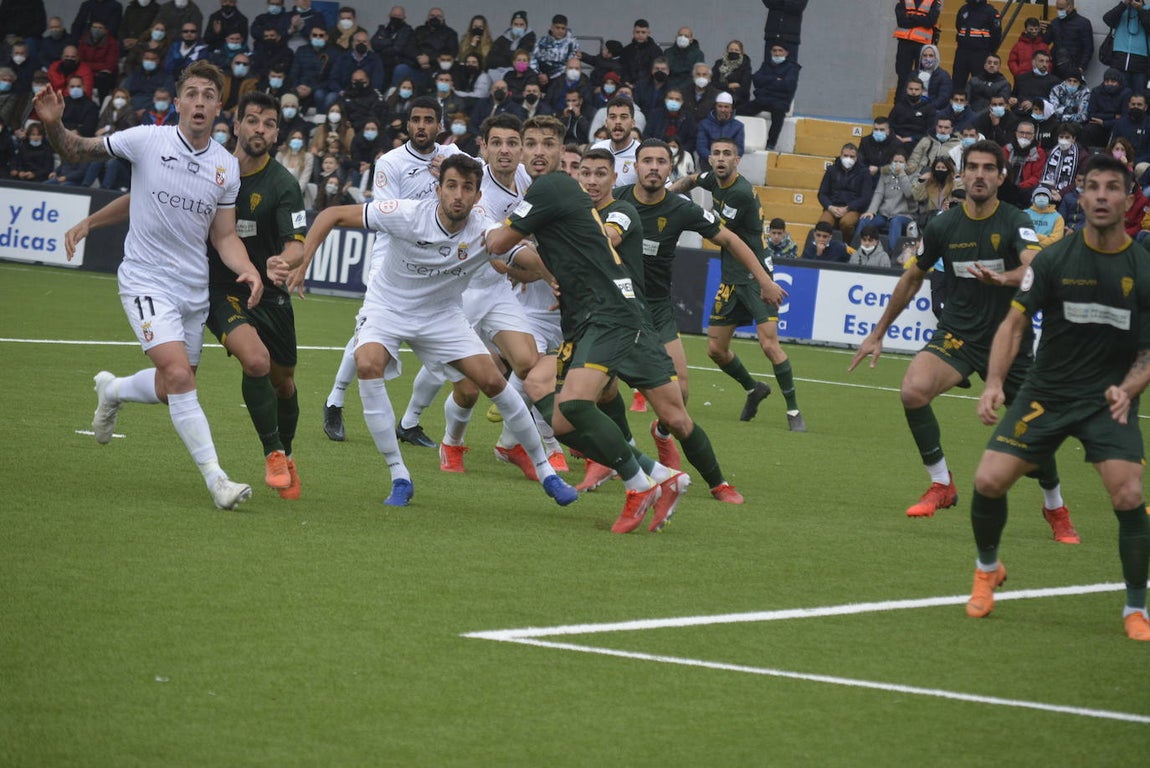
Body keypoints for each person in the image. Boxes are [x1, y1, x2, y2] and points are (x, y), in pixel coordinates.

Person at [37, 60, 262, 511]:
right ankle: (217, 480)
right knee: (179, 375)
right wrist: (55, 124)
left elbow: (223, 236)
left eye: (209, 95)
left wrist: (249, 268)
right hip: (144, 277)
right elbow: (77, 150)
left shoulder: (225, 168)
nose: (200, 102)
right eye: (192, 93)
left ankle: (114, 390)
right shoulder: (146, 139)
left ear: (220, 107)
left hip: (193, 288)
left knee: (170, 385)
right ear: (177, 101)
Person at [301, 154, 579, 510]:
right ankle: (399, 475)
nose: (458, 195)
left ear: (478, 196)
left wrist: (552, 277)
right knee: (368, 364)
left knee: (492, 381)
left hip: (442, 315)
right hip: (388, 308)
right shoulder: (407, 214)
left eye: (467, 188)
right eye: (451, 186)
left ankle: (547, 473)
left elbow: (517, 250)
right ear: (438, 190)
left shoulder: (484, 227)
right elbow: (331, 214)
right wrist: (303, 260)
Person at [71, 91, 308, 499]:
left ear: (276, 133)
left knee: (280, 383)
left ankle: (114, 390)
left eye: (269, 124)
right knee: (251, 363)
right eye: (253, 121)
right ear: (236, 124)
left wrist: (279, 263)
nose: (260, 129)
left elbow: (295, 243)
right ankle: (250, 465)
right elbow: (142, 198)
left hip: (263, 292)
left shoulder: (281, 185)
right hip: (214, 288)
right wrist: (91, 221)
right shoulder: (208, 161)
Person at [848, 140, 1078, 543]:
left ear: (1001, 177)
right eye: (972, 167)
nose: (979, 175)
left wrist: (1004, 278)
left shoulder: (1015, 220)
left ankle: (1055, 507)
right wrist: (877, 332)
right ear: (961, 174)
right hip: (958, 333)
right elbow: (913, 277)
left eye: (989, 168)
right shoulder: (943, 225)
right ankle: (942, 484)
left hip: (1010, 340)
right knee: (913, 390)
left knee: (1033, 435)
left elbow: (1033, 267)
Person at [484, 121, 709, 531]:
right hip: (585, 315)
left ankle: (640, 484)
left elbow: (499, 245)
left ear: (562, 157)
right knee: (560, 418)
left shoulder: (550, 188)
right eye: (528, 143)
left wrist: (475, 224)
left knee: (573, 405)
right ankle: (660, 477)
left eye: (547, 145)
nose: (537, 151)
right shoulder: (549, 195)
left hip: (609, 312)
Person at [966, 153, 1150, 641]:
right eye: (1093, 187)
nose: (1103, 196)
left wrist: (1128, 389)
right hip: (1045, 393)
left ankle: (1136, 607)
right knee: (987, 481)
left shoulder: (1143, 269)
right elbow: (1014, 321)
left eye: (1114, 188)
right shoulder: (1053, 259)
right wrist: (993, 384)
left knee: (1129, 494)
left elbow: (1149, 353)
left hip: (1106, 400)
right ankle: (987, 570)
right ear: (1081, 196)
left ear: (1128, 199)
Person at [617, 139, 790, 464]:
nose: (654, 167)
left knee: (680, 392)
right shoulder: (615, 200)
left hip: (657, 309)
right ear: (635, 166)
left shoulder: (681, 208)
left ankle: (661, 433)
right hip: (616, 308)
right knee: (600, 386)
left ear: (670, 169)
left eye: (661, 161)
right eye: (647, 161)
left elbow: (730, 239)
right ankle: (610, 454)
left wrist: (765, 280)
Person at [322, 98, 464, 443]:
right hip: (392, 259)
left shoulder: (456, 158)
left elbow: (479, 183)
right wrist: (438, 187)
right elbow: (389, 215)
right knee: (368, 330)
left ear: (439, 125)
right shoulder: (390, 162)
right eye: (415, 120)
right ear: (407, 124)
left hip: (440, 262)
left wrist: (452, 172)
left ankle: (411, 421)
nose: (421, 126)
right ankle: (335, 400)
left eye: (429, 120)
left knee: (450, 340)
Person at [672, 138, 804, 429]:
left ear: (737, 160)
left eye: (727, 154)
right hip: (731, 277)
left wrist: (677, 212)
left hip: (757, 277)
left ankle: (793, 411)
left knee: (769, 344)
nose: (721, 158)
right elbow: (692, 179)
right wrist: (668, 193)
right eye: (716, 153)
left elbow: (715, 232)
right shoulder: (712, 179)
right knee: (715, 350)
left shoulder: (740, 193)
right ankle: (753, 388)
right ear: (710, 159)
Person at [861, 149, 917, 254]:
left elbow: (909, 193)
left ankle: (893, 254)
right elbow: (879, 193)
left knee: (895, 222)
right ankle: (857, 250)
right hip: (884, 214)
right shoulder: (885, 174)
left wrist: (902, 174)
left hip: (904, 215)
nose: (897, 164)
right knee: (865, 219)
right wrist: (871, 211)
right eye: (895, 161)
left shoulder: (914, 175)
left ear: (906, 163)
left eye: (901, 162)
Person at [745, 42, 799, 151]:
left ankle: (771, 144)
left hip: (780, 101)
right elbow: (756, 79)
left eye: (780, 51)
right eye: (774, 50)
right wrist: (775, 79)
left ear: (786, 53)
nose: (777, 53)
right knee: (740, 110)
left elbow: (788, 85)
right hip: (763, 100)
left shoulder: (792, 68)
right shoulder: (766, 64)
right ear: (771, 52)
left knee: (778, 113)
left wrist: (767, 81)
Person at [817, 143, 874, 244]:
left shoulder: (864, 172)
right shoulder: (831, 170)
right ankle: (823, 248)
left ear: (857, 158)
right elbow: (822, 194)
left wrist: (848, 208)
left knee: (846, 223)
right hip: (832, 207)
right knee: (823, 224)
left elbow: (865, 197)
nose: (848, 158)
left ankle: (846, 246)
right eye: (846, 156)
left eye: (852, 156)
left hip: (852, 208)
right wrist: (830, 207)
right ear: (841, 155)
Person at [952, 0, 1001, 94]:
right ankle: (956, 107)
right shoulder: (963, 9)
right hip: (962, 52)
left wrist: (988, 51)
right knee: (957, 83)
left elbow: (996, 35)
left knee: (979, 86)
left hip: (980, 54)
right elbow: (958, 27)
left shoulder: (991, 12)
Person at [1103, 0, 1150, 96]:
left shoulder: (1147, 9)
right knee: (1117, 94)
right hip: (1119, 58)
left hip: (1140, 60)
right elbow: (1107, 19)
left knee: (1138, 95)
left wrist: (1140, 10)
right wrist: (1124, 4)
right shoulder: (1122, 9)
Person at [591, 96, 641, 185]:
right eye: (613, 117)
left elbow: (664, 189)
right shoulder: (596, 149)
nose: (618, 121)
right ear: (606, 123)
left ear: (633, 123)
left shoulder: (641, 153)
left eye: (623, 117)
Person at [894, 0, 942, 92]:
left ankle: (918, 104)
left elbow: (929, 22)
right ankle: (900, 104)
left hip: (922, 44)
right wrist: (920, 18)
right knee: (902, 77)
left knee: (921, 77)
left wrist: (911, 16)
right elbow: (901, 21)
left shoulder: (934, 2)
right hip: (905, 43)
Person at [1042, 0, 1094, 80]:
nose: (1059, 11)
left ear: (1070, 7)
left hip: (1073, 66)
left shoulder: (1083, 23)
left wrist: (1081, 67)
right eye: (1057, 8)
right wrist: (1040, 32)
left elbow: (1088, 48)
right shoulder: (1055, 22)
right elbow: (1046, 41)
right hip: (1054, 66)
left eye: (1061, 8)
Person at [1084, 68, 1132, 149]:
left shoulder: (1126, 93)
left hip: (1115, 124)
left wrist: (1104, 122)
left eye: (1113, 82)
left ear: (1119, 82)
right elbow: (1091, 114)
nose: (1109, 84)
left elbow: (1125, 117)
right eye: (1107, 81)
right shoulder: (1096, 91)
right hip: (1098, 124)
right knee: (1088, 129)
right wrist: (1113, 116)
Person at [696, 92, 744, 172]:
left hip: (728, 164)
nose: (723, 110)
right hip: (708, 163)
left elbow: (739, 149)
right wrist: (716, 158)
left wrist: (724, 159)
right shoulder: (704, 124)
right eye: (720, 106)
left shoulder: (738, 126)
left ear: (731, 108)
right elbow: (701, 147)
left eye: (726, 107)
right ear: (715, 107)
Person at [531, 14, 579, 86]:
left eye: (563, 28)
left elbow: (570, 64)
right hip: (540, 75)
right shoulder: (541, 41)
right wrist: (539, 74)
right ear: (552, 27)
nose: (560, 31)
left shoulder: (572, 43)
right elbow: (532, 59)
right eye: (557, 28)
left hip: (560, 76)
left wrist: (549, 76)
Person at [889, 77, 934, 148]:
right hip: (897, 140)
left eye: (916, 89)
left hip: (918, 142)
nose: (913, 92)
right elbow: (890, 125)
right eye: (911, 89)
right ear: (906, 89)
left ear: (922, 90)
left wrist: (912, 138)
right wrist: (896, 136)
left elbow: (930, 130)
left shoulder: (929, 108)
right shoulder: (899, 106)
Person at [486, 10, 534, 75]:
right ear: (511, 25)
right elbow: (490, 59)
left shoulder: (530, 38)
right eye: (516, 24)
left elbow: (519, 57)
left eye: (521, 25)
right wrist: (508, 59)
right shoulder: (503, 38)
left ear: (526, 26)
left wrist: (502, 54)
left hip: (518, 73)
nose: (518, 27)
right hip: (498, 71)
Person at [711, 44, 750, 114]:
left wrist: (722, 87)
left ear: (741, 52)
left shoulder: (745, 65)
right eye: (731, 49)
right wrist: (728, 85)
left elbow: (745, 86)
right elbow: (713, 83)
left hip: (737, 99)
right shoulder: (719, 63)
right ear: (727, 50)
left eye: (736, 50)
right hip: (718, 95)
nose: (733, 52)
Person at [620, 19, 661, 87]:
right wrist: (626, 82)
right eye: (637, 32)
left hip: (649, 87)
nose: (640, 35)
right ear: (633, 32)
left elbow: (657, 70)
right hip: (628, 86)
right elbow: (623, 69)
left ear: (648, 33)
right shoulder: (626, 50)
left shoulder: (656, 51)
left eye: (643, 32)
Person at [664, 27, 704, 94]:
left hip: (689, 90)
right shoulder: (668, 52)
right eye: (680, 35)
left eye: (686, 36)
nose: (682, 38)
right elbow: (666, 71)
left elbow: (695, 74)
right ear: (676, 37)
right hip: (669, 88)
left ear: (691, 40)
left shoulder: (698, 54)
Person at [914, 44, 953, 113]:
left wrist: (927, 109)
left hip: (934, 111)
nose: (927, 58)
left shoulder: (943, 76)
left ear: (936, 58)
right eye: (925, 55)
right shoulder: (914, 74)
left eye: (931, 56)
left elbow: (943, 98)